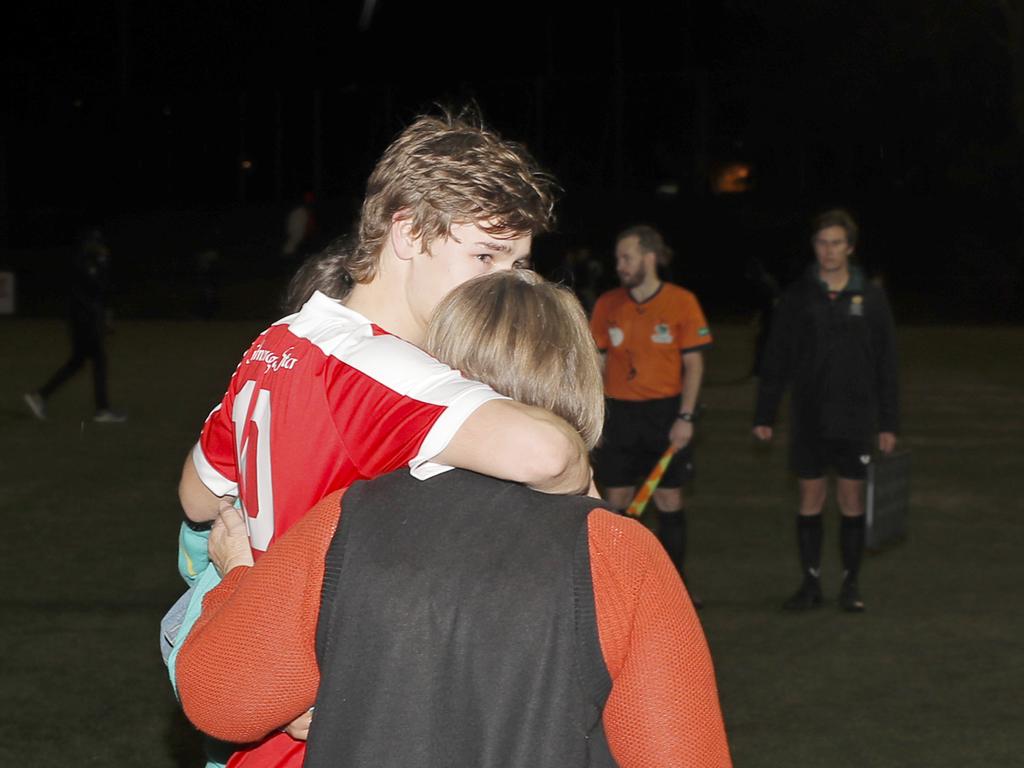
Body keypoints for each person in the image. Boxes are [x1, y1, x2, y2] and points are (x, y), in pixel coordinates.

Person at [177, 270, 733, 768]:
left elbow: (221, 699)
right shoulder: (620, 558)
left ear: (437, 367)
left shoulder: (342, 522)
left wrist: (238, 580)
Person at [173, 110, 590, 766]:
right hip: (350, 726)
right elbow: (551, 454)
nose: (508, 284)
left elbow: (198, 498)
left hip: (266, 712)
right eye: (485, 255)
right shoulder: (380, 368)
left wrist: (246, 575)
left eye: (518, 262)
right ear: (406, 232)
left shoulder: (277, 342)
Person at [753, 208, 899, 612]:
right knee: (810, 497)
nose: (829, 250)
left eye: (837, 243)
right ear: (814, 247)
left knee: (852, 500)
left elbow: (887, 363)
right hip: (809, 417)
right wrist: (764, 415)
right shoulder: (798, 296)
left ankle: (851, 585)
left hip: (855, 419)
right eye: (822, 242)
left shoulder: (870, 296)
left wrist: (889, 422)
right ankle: (810, 583)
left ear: (850, 247)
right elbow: (777, 358)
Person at [589, 224, 712, 602]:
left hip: (665, 414)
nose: (619, 265)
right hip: (620, 416)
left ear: (648, 257)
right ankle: (622, 591)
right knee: (618, 502)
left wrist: (686, 417)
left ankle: (676, 588)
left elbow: (694, 365)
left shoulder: (682, 302)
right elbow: (595, 359)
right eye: (617, 259)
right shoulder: (607, 304)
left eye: (626, 257)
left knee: (669, 501)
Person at [23, 227, 126, 423]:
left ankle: (40, 396)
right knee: (98, 361)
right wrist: (104, 264)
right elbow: (96, 289)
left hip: (82, 319)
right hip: (84, 320)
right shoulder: (87, 263)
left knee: (77, 363)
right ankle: (102, 409)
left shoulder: (84, 260)